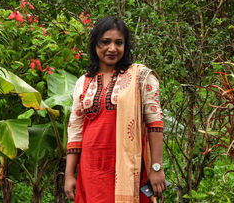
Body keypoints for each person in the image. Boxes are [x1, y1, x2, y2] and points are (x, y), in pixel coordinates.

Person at [64, 16, 166, 203]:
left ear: (125, 47)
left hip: (128, 170)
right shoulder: (83, 82)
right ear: (95, 44)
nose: (112, 48)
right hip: (91, 171)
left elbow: (155, 124)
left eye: (119, 43)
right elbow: (75, 132)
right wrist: (69, 174)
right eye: (105, 42)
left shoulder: (140, 77)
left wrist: (156, 168)